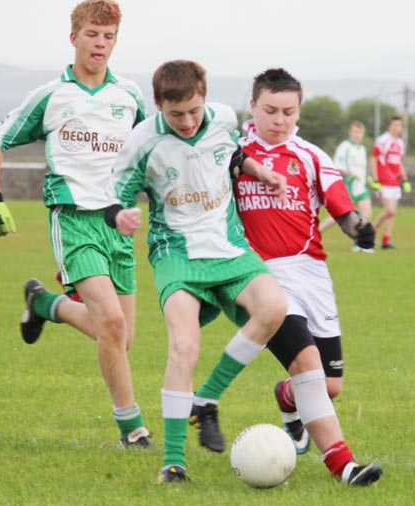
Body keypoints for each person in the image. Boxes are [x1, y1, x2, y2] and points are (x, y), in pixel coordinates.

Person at [104, 59, 289, 483]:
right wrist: (121, 217)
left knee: (274, 308)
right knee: (184, 346)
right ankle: (173, 462)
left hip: (229, 248)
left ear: (204, 97)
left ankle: (206, 399)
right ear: (157, 105)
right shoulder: (142, 140)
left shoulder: (224, 118)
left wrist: (260, 171)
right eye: (176, 115)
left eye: (193, 110)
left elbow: (233, 155)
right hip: (177, 255)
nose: (187, 122)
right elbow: (114, 194)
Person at [195, 68, 382, 486]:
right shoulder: (231, 153)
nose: (280, 120)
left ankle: (286, 398)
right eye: (271, 110)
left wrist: (361, 229)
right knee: (307, 361)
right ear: (253, 107)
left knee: (329, 384)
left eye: (289, 112)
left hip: (312, 275)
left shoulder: (312, 155)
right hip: (259, 278)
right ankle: (344, 466)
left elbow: (342, 210)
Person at [0, 0, 152, 448]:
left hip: (118, 225)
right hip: (72, 220)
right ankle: (132, 430)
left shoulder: (129, 96)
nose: (100, 44)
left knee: (119, 337)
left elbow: (150, 152)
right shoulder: (51, 95)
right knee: (112, 325)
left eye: (109, 36)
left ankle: (43, 304)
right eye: (93, 34)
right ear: (73, 36)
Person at [319, 121, 373, 252]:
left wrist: (368, 178)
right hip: (348, 185)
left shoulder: (362, 149)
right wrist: (346, 172)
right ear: (350, 132)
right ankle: (315, 232)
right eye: (355, 132)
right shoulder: (345, 146)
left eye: (359, 132)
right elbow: (336, 163)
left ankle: (360, 243)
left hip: (360, 186)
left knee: (367, 211)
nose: (357, 135)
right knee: (339, 215)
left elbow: (362, 168)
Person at [370, 116, 412, 249]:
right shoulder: (382, 140)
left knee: (392, 213)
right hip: (383, 181)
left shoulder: (400, 143)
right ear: (389, 126)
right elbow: (373, 159)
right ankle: (370, 232)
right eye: (394, 125)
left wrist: (404, 179)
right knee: (390, 210)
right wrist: (375, 179)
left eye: (399, 125)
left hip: (395, 182)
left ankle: (386, 240)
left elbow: (399, 162)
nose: (396, 127)